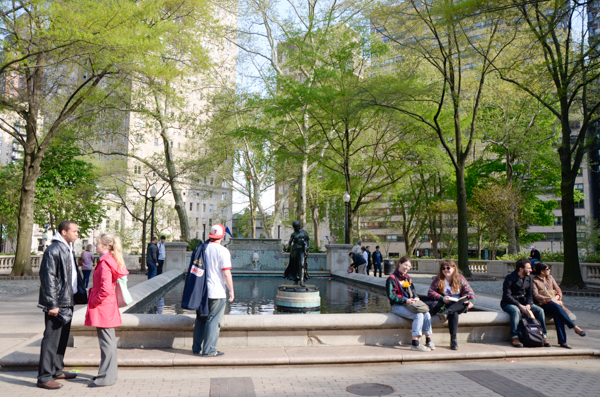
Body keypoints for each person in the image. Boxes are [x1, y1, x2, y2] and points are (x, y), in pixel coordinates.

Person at [37, 221, 83, 389]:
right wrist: (52, 304)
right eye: (74, 231)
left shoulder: (68, 248)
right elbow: (47, 278)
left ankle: (56, 369)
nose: (77, 233)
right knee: (51, 339)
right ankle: (44, 377)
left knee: (62, 338)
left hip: (67, 300)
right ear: (64, 232)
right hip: (57, 303)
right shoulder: (53, 250)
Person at [85, 233, 129, 387]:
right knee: (108, 342)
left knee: (106, 343)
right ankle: (109, 375)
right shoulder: (109, 260)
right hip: (107, 306)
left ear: (105, 246)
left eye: (97, 243)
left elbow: (104, 290)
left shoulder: (104, 263)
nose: (95, 246)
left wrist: (94, 301)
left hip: (103, 306)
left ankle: (105, 378)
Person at [193, 224, 235, 357]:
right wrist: (231, 291)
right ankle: (209, 350)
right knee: (213, 321)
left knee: (200, 319)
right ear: (222, 236)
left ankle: (196, 348)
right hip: (217, 292)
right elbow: (226, 273)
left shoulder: (202, 248)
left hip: (201, 292)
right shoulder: (223, 251)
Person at [532, 262, 586, 349]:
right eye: (548, 269)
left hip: (555, 304)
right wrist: (550, 299)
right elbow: (536, 296)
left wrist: (557, 297)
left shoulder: (550, 278)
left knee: (557, 313)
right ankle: (574, 327)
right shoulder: (534, 280)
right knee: (556, 307)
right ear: (542, 271)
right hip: (543, 305)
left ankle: (563, 342)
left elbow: (558, 290)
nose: (549, 270)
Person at [386, 256, 434, 351]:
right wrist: (405, 300)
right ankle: (415, 343)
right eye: (405, 265)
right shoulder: (391, 279)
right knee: (419, 315)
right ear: (399, 263)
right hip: (398, 306)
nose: (406, 268)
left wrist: (416, 298)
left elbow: (413, 291)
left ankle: (428, 340)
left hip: (410, 304)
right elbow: (391, 296)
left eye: (409, 266)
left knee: (427, 313)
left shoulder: (408, 278)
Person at [501, 259, 550, 348]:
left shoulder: (528, 278)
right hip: (510, 303)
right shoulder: (510, 278)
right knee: (516, 311)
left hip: (524, 303)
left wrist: (528, 305)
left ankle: (543, 335)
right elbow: (507, 296)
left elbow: (530, 295)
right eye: (528, 268)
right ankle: (514, 336)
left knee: (539, 310)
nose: (531, 270)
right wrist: (520, 306)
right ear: (521, 269)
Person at [428, 260, 476, 350]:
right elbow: (430, 292)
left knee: (464, 300)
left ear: (454, 268)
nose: (446, 270)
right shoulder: (438, 279)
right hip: (447, 304)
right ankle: (453, 340)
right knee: (453, 313)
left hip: (459, 304)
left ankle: (446, 312)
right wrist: (442, 298)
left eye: (448, 268)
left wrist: (471, 301)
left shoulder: (460, 278)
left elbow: (470, 292)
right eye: (443, 268)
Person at [283, 221, 311, 285]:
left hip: (301, 250)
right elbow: (289, 242)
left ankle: (301, 280)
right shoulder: (293, 234)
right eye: (295, 227)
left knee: (301, 264)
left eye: (297, 226)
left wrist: (308, 247)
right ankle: (296, 280)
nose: (296, 228)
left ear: (299, 226)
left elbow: (308, 240)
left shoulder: (304, 232)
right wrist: (286, 248)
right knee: (294, 265)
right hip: (294, 251)